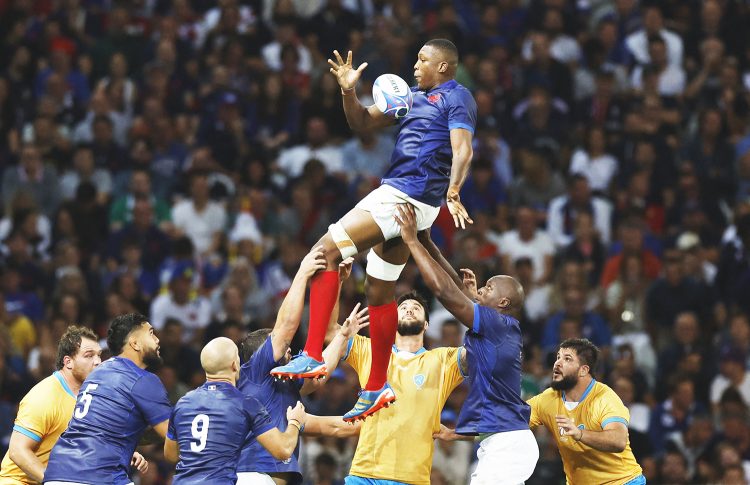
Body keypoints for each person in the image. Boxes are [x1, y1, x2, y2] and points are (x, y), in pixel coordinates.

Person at [271, 39, 477, 422]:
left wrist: (454, 189)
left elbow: (462, 148)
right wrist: (349, 90)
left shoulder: (457, 97)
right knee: (380, 292)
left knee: (325, 251)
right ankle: (376, 384)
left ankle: (313, 353)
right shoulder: (412, 98)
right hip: (415, 205)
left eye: (423, 60)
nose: (415, 65)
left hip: (405, 193)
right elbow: (362, 121)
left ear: (444, 68)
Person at [395, 204, 537, 484]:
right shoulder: (499, 329)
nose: (482, 287)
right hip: (502, 443)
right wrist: (428, 243)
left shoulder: (498, 324)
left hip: (506, 446)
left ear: (503, 303)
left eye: (490, 287)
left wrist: (412, 242)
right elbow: (455, 285)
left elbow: (444, 291)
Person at [236, 246, 366, 485]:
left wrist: (342, 335)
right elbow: (285, 328)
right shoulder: (253, 375)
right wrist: (302, 274)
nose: (289, 350)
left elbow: (319, 373)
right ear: (259, 356)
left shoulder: (283, 387)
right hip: (250, 477)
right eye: (276, 347)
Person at [333, 287, 465, 484]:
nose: (409, 309)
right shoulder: (369, 349)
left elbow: (477, 351)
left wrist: (474, 304)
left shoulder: (443, 359)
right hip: (363, 474)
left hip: (411, 479)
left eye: (416, 308)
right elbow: (326, 331)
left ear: (427, 324)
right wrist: (338, 282)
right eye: (403, 307)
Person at [43, 313, 172, 485]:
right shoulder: (143, 379)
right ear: (135, 343)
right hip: (98, 475)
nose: (157, 339)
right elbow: (173, 440)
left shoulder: (97, 373)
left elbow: (108, 429)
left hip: (57, 473)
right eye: (150, 333)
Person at [0, 327, 141, 484]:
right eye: (89, 356)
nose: (98, 361)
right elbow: (17, 451)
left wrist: (121, 451)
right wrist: (53, 481)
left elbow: (89, 440)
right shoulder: (43, 397)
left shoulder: (93, 393)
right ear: (68, 362)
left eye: (99, 355)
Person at [163, 337, 308, 484]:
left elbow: (170, 455)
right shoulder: (245, 404)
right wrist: (295, 421)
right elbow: (283, 450)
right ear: (234, 364)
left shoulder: (182, 403)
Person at [527, 338, 644, 484]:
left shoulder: (604, 397)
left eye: (567, 359)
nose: (557, 363)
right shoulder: (548, 399)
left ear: (583, 370)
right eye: (558, 357)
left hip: (622, 481)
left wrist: (580, 434)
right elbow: (513, 418)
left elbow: (618, 440)